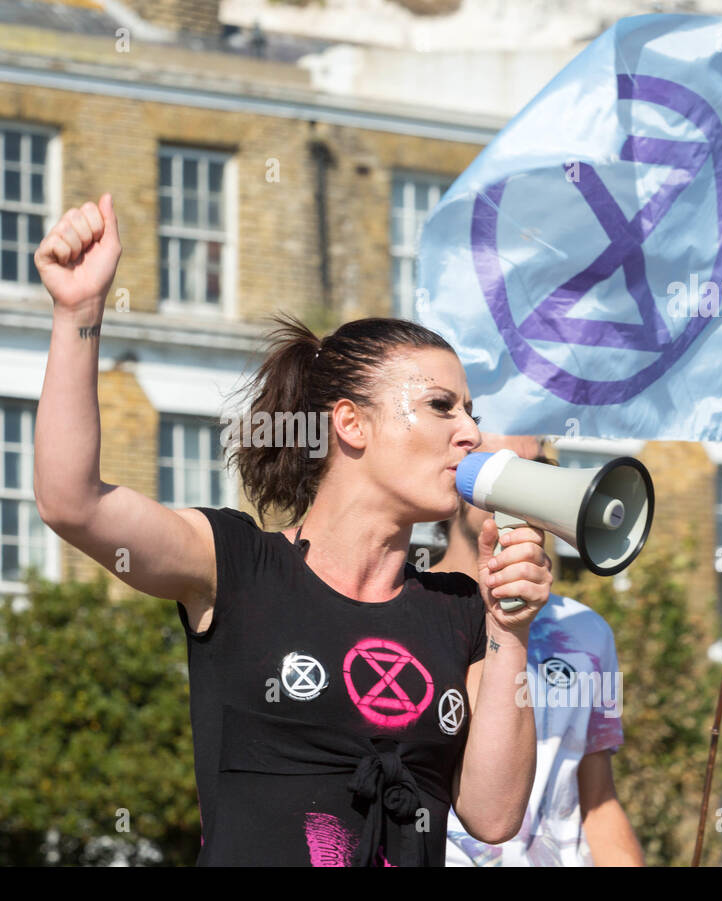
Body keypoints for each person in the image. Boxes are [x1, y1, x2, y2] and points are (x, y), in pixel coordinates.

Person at [30, 195, 552, 866]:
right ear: (351, 424)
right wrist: (77, 312)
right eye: (440, 407)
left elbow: (494, 815)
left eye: (471, 412)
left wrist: (511, 630)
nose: (471, 433)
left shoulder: (458, 611)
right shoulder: (236, 566)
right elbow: (71, 503)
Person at [431, 433, 644, 866]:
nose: (530, 483)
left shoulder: (587, 633)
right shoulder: (405, 611)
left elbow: (598, 800)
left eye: (540, 467)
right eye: (505, 465)